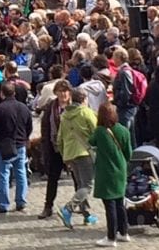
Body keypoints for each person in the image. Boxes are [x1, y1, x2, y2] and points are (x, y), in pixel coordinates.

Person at [88, 103, 132, 248]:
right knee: (120, 203)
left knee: (110, 205)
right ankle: (124, 232)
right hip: (120, 170)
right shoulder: (124, 130)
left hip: (106, 172)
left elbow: (91, 142)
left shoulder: (100, 132)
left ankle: (111, 236)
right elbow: (129, 153)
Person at [55, 87, 98, 228]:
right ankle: (68, 209)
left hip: (70, 153)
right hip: (84, 153)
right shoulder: (86, 112)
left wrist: (64, 156)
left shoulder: (64, 115)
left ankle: (87, 215)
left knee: (80, 185)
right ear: (84, 99)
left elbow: (60, 138)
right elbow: (96, 132)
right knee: (87, 185)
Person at [0, 80, 31, 214]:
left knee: (3, 175)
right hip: (20, 143)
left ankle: (3, 203)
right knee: (21, 173)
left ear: (2, 94)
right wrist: (24, 138)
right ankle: (21, 201)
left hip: (4, 144)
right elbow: (29, 126)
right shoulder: (24, 107)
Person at [37, 79, 72, 219]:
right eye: (60, 91)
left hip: (71, 148)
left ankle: (82, 208)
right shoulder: (51, 106)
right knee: (53, 178)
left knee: (78, 180)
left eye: (65, 91)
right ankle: (48, 206)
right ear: (56, 92)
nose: (63, 94)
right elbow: (45, 125)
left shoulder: (74, 106)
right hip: (54, 147)